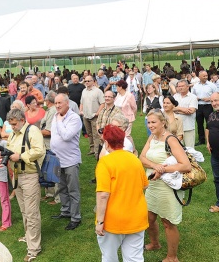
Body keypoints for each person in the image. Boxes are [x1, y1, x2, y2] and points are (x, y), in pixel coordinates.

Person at [139, 109, 191, 262]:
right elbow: (141, 157)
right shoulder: (152, 137)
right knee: (148, 217)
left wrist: (162, 170)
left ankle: (172, 257)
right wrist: (156, 166)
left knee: (167, 222)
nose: (150, 125)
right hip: (152, 185)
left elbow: (185, 165)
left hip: (167, 187)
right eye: (148, 122)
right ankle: (155, 244)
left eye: (153, 122)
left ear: (163, 122)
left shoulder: (171, 139)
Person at [95, 124, 148, 262]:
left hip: (113, 220)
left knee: (109, 257)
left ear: (106, 143)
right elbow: (143, 186)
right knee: (134, 258)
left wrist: (100, 221)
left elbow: (103, 194)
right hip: (136, 217)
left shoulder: (105, 162)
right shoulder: (135, 160)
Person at [6, 109, 45, 262]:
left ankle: (34, 248)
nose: (12, 127)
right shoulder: (14, 133)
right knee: (24, 210)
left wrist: (20, 156)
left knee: (32, 212)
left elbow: (39, 150)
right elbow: (10, 148)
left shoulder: (33, 130)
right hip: (17, 175)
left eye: (14, 124)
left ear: (22, 119)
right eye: (11, 124)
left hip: (30, 175)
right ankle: (29, 236)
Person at [50, 94, 82, 230]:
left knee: (73, 189)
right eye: (55, 103)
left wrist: (58, 121)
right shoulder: (55, 116)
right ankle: (65, 211)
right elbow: (54, 135)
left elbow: (66, 136)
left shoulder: (74, 118)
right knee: (62, 187)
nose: (57, 106)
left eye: (60, 103)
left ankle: (76, 217)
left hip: (70, 160)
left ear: (67, 103)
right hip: (58, 159)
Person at [80, 76, 105, 159]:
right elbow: (81, 102)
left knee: (96, 134)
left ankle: (97, 152)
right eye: (85, 81)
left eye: (88, 81)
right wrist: (81, 111)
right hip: (86, 116)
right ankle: (92, 149)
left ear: (93, 81)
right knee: (89, 133)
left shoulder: (98, 91)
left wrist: (97, 113)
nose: (87, 82)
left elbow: (103, 103)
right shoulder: (84, 91)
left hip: (94, 116)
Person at [192, 70, 217, 146]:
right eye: (204, 76)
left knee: (209, 123)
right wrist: (196, 98)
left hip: (208, 106)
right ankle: (201, 140)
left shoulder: (211, 85)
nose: (206, 77)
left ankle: (210, 139)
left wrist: (209, 99)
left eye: (206, 75)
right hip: (199, 106)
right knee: (199, 123)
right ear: (199, 77)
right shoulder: (195, 85)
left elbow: (216, 95)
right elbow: (193, 95)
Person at [173, 79, 198, 148]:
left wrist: (177, 109)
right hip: (177, 127)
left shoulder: (193, 97)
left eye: (182, 86)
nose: (180, 88)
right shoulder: (175, 96)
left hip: (188, 127)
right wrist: (184, 110)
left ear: (187, 86)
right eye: (179, 86)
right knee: (178, 148)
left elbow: (191, 111)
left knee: (190, 149)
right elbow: (171, 108)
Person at [206, 92, 219, 213]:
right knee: (217, 179)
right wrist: (208, 142)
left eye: (216, 100)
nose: (214, 103)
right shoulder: (211, 115)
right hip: (215, 154)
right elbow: (208, 128)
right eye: (212, 101)